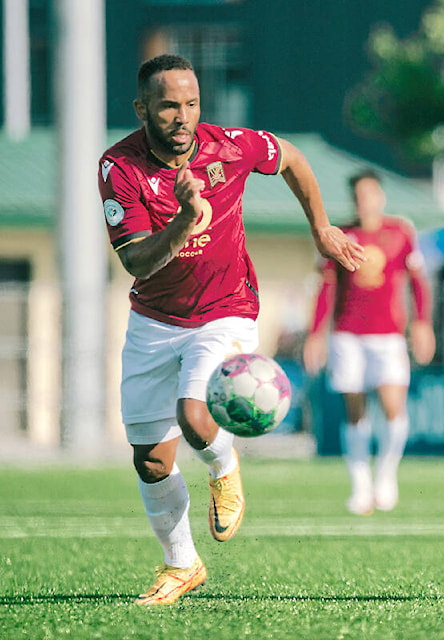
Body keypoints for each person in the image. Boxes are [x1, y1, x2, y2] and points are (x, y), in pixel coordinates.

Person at [97, 53, 364, 605]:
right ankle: (182, 564)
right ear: (142, 108)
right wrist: (182, 222)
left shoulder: (230, 146)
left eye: (191, 104)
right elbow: (137, 262)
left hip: (227, 306)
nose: (182, 116)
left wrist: (320, 227)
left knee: (195, 416)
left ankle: (223, 463)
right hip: (153, 319)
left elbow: (291, 157)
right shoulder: (118, 167)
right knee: (150, 459)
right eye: (168, 105)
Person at [303, 169, 435, 515]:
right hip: (348, 334)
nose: (365, 201)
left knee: (394, 408)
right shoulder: (340, 235)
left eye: (370, 194)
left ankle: (386, 477)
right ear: (353, 200)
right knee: (355, 411)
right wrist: (316, 333)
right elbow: (326, 287)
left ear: (380, 196)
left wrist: (422, 323)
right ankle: (360, 487)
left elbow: (418, 281)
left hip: (389, 334)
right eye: (359, 196)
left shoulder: (400, 232)